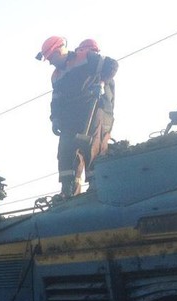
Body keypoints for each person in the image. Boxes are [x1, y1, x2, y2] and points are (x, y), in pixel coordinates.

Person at [38, 36, 118, 198]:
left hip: (90, 109)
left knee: (92, 145)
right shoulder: (56, 75)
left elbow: (111, 65)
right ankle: (68, 189)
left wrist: (101, 83)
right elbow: (57, 99)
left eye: (51, 57)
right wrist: (55, 119)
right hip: (70, 118)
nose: (50, 62)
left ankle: (96, 185)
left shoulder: (86, 58)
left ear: (60, 50)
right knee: (65, 150)